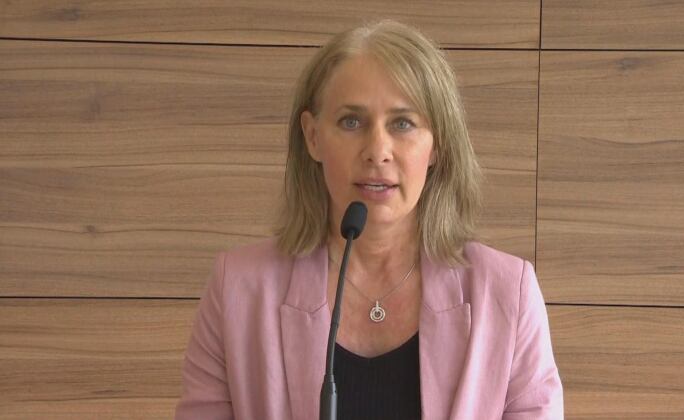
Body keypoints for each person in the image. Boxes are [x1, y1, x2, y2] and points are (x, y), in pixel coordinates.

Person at [175, 20, 563, 420]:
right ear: (312, 137)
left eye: (402, 123)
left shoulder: (506, 294)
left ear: (437, 145)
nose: (378, 150)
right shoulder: (238, 289)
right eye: (351, 122)